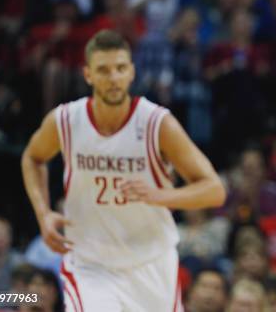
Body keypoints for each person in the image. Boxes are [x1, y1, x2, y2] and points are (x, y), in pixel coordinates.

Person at [21, 29, 226, 311]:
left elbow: (214, 190)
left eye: (120, 68)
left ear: (131, 72)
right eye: (103, 70)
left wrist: (160, 196)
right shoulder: (67, 120)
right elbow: (33, 157)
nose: (114, 77)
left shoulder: (157, 124)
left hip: (151, 261)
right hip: (91, 262)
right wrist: (43, 214)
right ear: (88, 75)